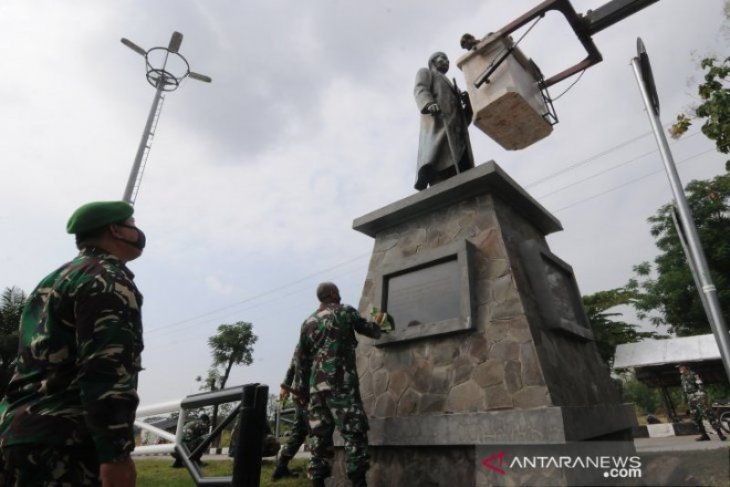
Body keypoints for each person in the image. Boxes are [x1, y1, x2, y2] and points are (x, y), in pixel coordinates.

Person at [0, 201, 146, 486]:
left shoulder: (52, 282)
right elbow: (105, 370)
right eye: (132, 225)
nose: (137, 232)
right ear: (115, 230)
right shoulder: (108, 280)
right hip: (65, 447)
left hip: (17, 438)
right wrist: (115, 455)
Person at [291, 282, 390, 487]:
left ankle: (317, 482)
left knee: (319, 440)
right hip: (341, 386)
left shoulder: (307, 322)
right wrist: (384, 321)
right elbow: (373, 331)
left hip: (316, 390)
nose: (340, 294)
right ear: (333, 294)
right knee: (354, 434)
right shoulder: (345, 312)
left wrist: (301, 391)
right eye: (338, 291)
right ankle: (358, 482)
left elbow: (301, 361)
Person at [414, 51, 474, 191]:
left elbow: (464, 120)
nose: (446, 61)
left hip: (456, 133)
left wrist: (468, 106)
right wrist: (428, 103)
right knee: (438, 161)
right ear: (433, 61)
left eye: (447, 59)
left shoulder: (453, 87)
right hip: (439, 125)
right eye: (443, 58)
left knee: (462, 167)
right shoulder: (427, 73)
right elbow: (420, 88)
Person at [271, 357, 309, 480]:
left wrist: (285, 389)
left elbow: (292, 367)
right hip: (309, 395)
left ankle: (280, 467)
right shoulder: (316, 340)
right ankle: (318, 472)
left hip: (299, 393)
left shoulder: (302, 343)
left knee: (298, 433)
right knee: (318, 431)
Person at [678, 363, 726, 441]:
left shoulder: (693, 374)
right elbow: (684, 389)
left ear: (686, 367)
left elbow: (700, 384)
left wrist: (702, 396)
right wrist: (685, 399)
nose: (679, 369)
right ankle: (704, 435)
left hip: (698, 396)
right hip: (690, 398)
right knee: (695, 418)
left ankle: (720, 434)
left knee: (708, 414)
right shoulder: (682, 377)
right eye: (679, 368)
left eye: (681, 367)